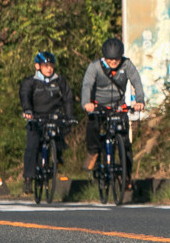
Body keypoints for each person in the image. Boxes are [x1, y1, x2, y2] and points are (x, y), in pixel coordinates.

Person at [81, 37, 146, 179]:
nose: (113, 63)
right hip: (98, 106)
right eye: (110, 60)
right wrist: (87, 103)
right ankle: (93, 153)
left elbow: (137, 82)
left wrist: (139, 100)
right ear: (104, 57)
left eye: (116, 59)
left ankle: (126, 176)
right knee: (92, 126)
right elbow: (87, 85)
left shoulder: (127, 65)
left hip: (118, 106)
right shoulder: (95, 67)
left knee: (125, 142)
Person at [19, 50, 75, 195]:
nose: (49, 68)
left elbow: (68, 98)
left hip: (54, 116)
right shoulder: (30, 81)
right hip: (36, 117)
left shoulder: (59, 80)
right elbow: (25, 95)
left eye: (51, 65)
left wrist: (69, 116)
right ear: (38, 66)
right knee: (32, 146)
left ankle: (57, 157)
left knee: (61, 134)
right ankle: (28, 179)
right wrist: (28, 110)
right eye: (45, 66)